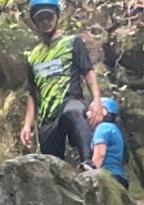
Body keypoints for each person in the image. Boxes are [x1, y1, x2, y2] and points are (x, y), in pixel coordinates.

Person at [19, 0, 105, 164]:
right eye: (41, 19)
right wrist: (27, 125)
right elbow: (32, 93)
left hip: (70, 102)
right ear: (35, 22)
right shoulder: (33, 56)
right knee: (51, 162)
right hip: (47, 116)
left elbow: (89, 72)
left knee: (73, 112)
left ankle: (88, 162)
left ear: (57, 17)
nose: (45, 22)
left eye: (49, 17)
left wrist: (97, 100)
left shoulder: (72, 43)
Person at [90, 96, 128, 189]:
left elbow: (100, 154)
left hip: (107, 178)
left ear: (103, 111)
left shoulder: (103, 127)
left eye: (91, 110)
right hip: (119, 178)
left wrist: (90, 175)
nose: (87, 114)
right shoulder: (115, 129)